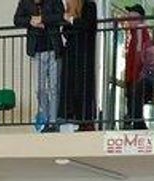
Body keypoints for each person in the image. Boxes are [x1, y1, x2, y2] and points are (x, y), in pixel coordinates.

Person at [15, 0, 64, 131]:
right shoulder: (25, 2)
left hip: (54, 49)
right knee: (39, 88)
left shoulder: (54, 1)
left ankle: (53, 122)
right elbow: (17, 20)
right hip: (36, 51)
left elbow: (60, 16)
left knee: (54, 87)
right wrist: (31, 20)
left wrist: (42, 19)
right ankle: (47, 118)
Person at [58, 0, 99, 129]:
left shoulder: (89, 6)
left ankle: (86, 119)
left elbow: (87, 26)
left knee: (83, 84)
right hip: (71, 52)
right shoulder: (69, 10)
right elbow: (66, 32)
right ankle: (72, 116)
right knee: (71, 84)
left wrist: (71, 19)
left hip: (84, 52)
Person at [122, 5, 150, 129]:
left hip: (137, 74)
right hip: (133, 73)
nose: (129, 20)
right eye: (129, 18)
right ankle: (135, 122)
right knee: (132, 100)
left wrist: (137, 73)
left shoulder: (140, 30)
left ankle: (137, 124)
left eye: (132, 18)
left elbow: (140, 52)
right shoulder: (135, 32)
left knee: (134, 99)